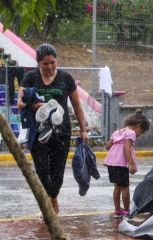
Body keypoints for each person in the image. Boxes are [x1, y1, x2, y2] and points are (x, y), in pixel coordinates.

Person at [17, 44, 89, 215]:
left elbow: (77, 105)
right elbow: (20, 104)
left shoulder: (66, 78)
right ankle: (50, 203)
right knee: (42, 171)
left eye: (52, 63)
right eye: (45, 64)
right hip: (38, 133)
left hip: (61, 132)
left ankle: (53, 197)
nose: (49, 67)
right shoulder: (30, 78)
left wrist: (83, 129)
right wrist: (39, 106)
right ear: (38, 64)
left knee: (58, 174)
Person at [104, 109, 150, 218]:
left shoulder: (118, 131)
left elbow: (108, 146)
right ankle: (126, 210)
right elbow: (127, 147)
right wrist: (132, 163)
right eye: (142, 132)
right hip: (121, 163)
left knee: (117, 187)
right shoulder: (131, 133)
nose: (140, 135)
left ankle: (117, 211)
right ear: (138, 126)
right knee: (125, 187)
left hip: (111, 163)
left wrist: (116, 143)